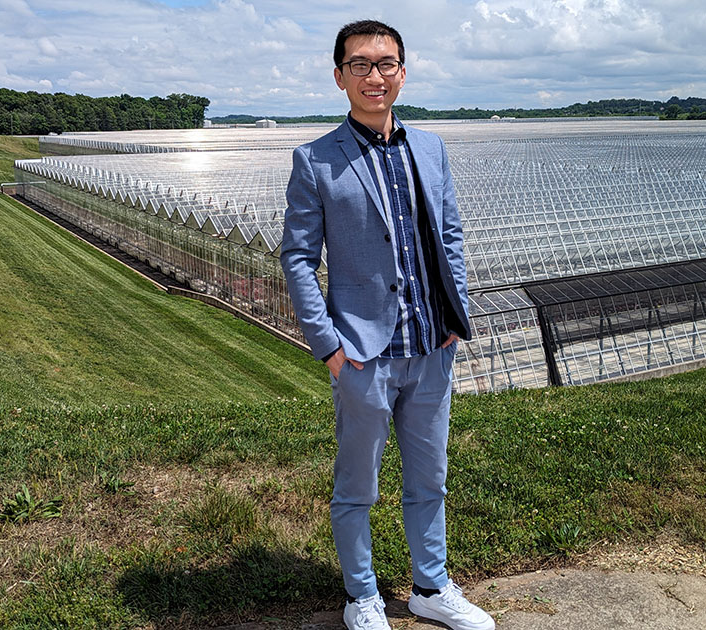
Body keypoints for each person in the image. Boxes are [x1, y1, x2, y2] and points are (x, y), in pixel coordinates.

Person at [279, 19, 495, 630]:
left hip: (432, 345)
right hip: (363, 352)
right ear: (340, 75)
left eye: (386, 63)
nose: (375, 76)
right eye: (360, 65)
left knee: (430, 479)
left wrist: (458, 314)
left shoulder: (430, 147)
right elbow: (297, 256)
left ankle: (430, 587)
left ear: (403, 70)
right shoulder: (316, 159)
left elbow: (449, 236)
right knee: (358, 486)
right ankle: (363, 596)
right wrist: (328, 346)